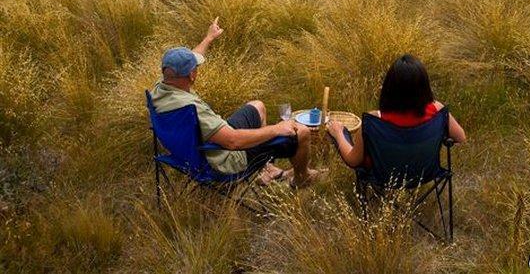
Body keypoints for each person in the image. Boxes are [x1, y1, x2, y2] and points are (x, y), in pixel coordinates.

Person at [149, 17, 322, 187]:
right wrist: (276, 129)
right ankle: (302, 178)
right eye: (195, 68)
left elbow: (191, 58)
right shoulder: (190, 108)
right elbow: (233, 141)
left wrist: (209, 38)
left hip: (194, 151)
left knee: (258, 106)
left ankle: (267, 169)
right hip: (224, 161)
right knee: (302, 132)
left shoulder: (161, 88)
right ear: (192, 75)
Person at [327, 54, 466, 167]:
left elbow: (353, 160)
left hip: (383, 176)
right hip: (423, 173)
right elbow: (460, 138)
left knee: (341, 132)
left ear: (389, 87)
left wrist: (339, 133)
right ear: (424, 86)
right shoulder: (438, 110)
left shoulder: (374, 120)